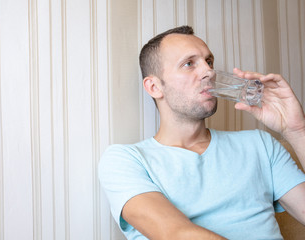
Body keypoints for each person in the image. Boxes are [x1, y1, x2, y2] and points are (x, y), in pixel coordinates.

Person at [99, 25, 305, 239]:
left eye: (209, 62)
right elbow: (177, 234)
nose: (210, 72)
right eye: (189, 64)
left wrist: (297, 130)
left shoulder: (260, 144)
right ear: (154, 87)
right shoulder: (126, 160)